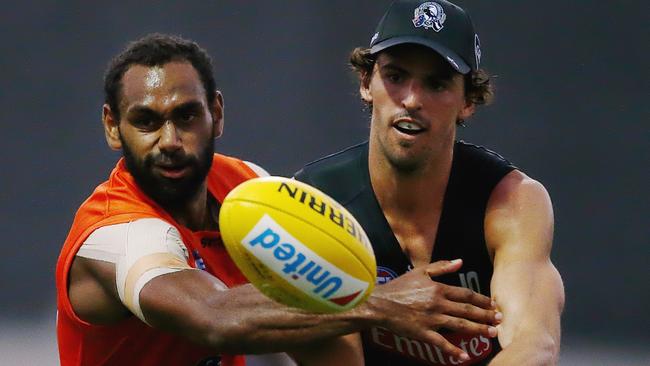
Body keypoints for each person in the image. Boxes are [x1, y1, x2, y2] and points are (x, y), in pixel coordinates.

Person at [55, 33, 501, 366]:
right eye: (146, 122)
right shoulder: (118, 233)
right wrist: (381, 305)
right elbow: (214, 318)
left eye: (187, 116)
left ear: (217, 114)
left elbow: (307, 327)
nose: (169, 140)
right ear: (114, 128)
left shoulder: (248, 188)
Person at [294, 1, 565, 365]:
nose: (411, 100)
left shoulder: (512, 201)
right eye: (395, 76)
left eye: (436, 84)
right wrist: (378, 306)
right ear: (365, 83)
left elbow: (534, 345)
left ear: (468, 100)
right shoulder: (315, 201)